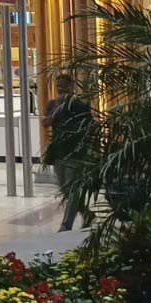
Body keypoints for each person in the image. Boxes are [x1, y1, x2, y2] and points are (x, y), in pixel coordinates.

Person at [43, 75, 93, 231]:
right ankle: (87, 214)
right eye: (58, 85)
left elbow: (89, 127)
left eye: (64, 85)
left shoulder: (80, 105)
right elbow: (45, 123)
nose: (60, 88)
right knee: (65, 190)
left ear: (72, 86)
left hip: (75, 153)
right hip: (58, 152)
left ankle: (66, 224)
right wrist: (59, 109)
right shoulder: (53, 104)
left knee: (72, 190)